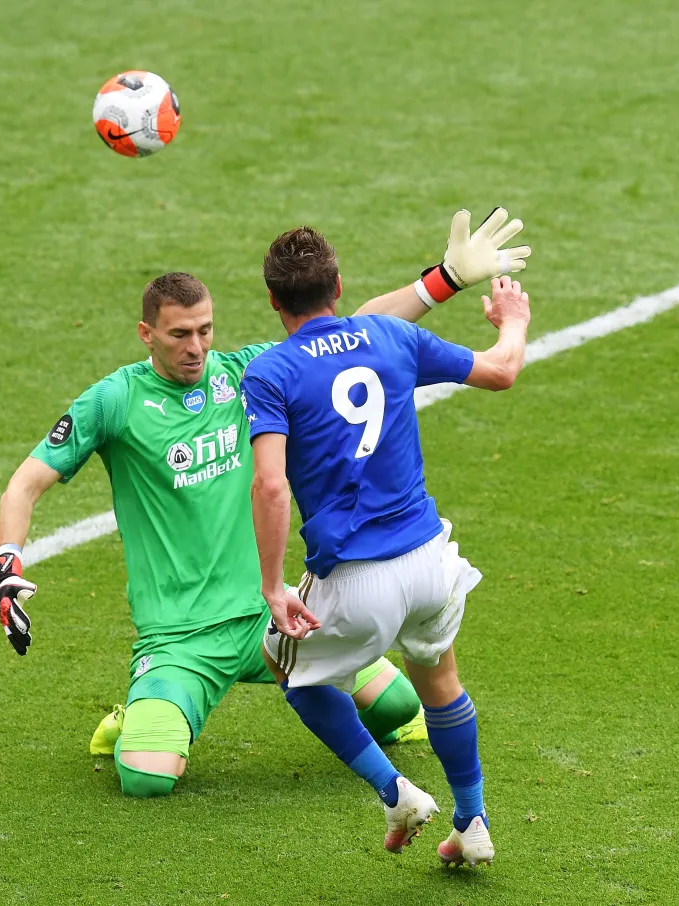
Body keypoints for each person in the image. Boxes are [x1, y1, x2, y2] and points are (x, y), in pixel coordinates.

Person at [0, 210, 530, 798]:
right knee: (147, 778)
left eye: (205, 330)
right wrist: (7, 566)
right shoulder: (114, 400)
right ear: (147, 334)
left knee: (399, 708)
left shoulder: (247, 376)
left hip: (275, 615)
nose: (196, 347)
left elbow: (353, 330)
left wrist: (445, 277)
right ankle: (142, 709)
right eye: (179, 335)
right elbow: (23, 484)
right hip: (180, 636)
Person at [241, 224, 531, 866]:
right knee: (441, 680)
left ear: (271, 301)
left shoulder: (270, 373)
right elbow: (502, 370)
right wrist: (512, 318)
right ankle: (472, 818)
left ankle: (395, 791)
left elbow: (269, 486)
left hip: (355, 577)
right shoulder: (389, 336)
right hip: (431, 560)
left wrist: (272, 586)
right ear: (338, 287)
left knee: (288, 667)